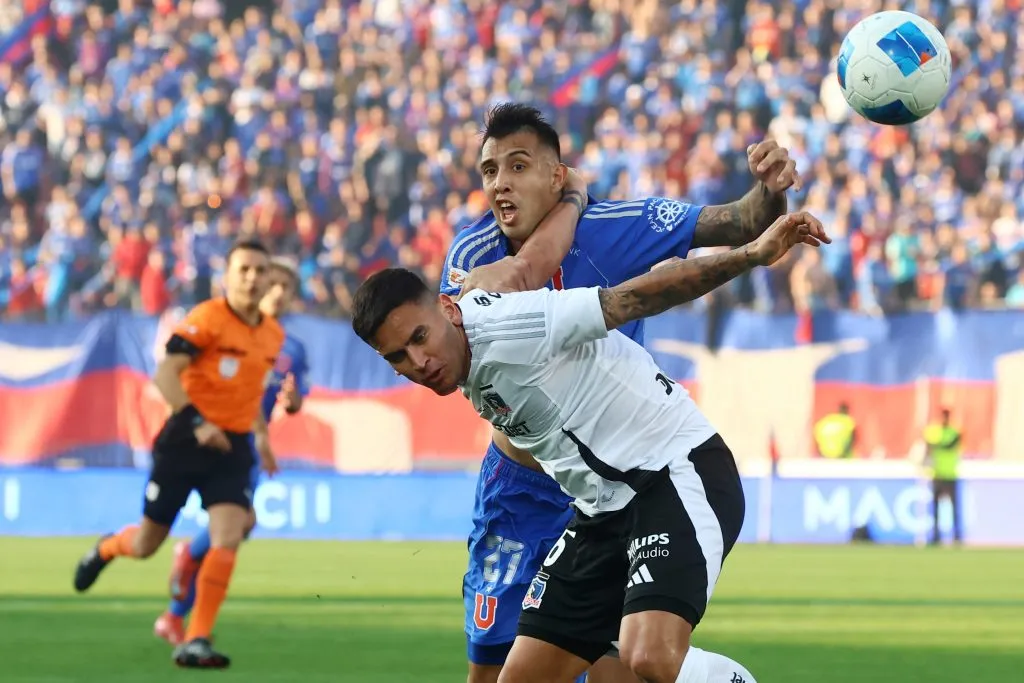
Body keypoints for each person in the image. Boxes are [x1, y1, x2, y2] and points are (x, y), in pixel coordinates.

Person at [350, 209, 828, 683]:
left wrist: (751, 254)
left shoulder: (515, 325)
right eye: (398, 357)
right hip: (602, 512)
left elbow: (630, 299)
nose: (419, 361)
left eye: (420, 337)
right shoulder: (462, 350)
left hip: (675, 472)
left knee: (651, 657)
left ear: (448, 310)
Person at [440, 103, 805, 683]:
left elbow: (740, 222)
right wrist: (574, 203)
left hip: (627, 472)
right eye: (489, 171)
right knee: (490, 673)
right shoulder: (473, 253)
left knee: (626, 667)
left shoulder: (615, 227)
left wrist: (769, 189)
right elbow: (522, 281)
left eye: (517, 165)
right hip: (522, 491)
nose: (500, 183)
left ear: (555, 174)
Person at [72, 240, 285, 669]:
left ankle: (196, 638)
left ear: (269, 279)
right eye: (243, 269)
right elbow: (166, 373)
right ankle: (107, 549)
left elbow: (249, 393)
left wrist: (261, 438)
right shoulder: (206, 318)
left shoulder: (271, 335)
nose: (252, 277)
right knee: (147, 543)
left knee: (230, 533)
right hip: (184, 443)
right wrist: (197, 423)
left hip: (232, 447)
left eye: (260, 271)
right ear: (227, 274)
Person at [153, 257, 311, 646]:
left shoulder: (290, 345)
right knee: (237, 523)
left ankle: (177, 608)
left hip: (248, 442)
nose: (277, 293)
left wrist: (291, 403)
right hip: (224, 436)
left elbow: (292, 400)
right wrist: (260, 437)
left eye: (285, 289)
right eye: (271, 284)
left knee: (239, 525)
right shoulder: (227, 326)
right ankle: (184, 593)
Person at [923, 408, 962, 544]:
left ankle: (957, 535)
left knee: (954, 508)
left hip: (950, 474)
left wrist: (935, 445)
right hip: (937, 474)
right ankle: (935, 535)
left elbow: (948, 445)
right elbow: (928, 445)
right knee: (935, 508)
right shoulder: (936, 432)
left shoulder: (954, 433)